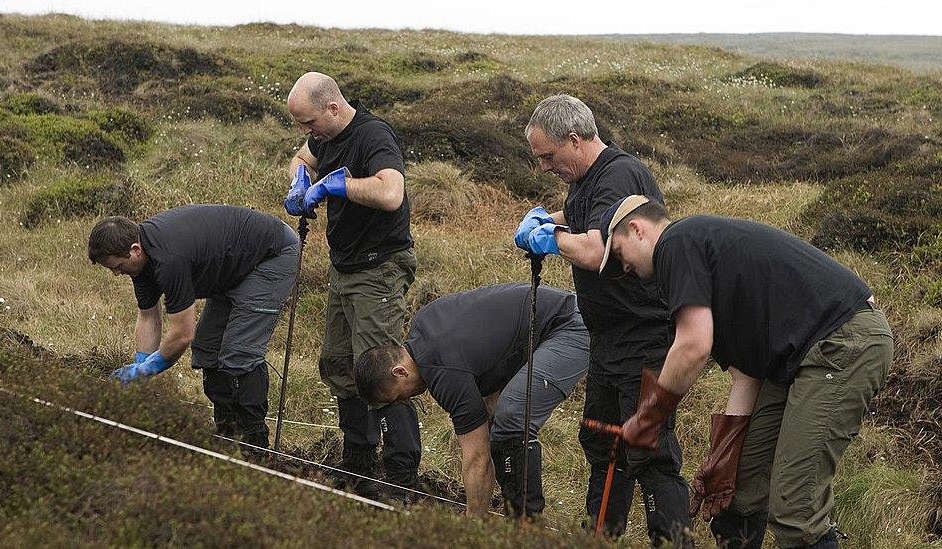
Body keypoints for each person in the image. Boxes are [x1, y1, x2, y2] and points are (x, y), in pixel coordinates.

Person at [600, 195, 893, 549]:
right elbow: (746, 374)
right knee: (737, 494)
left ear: (637, 229)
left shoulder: (675, 244)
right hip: (796, 361)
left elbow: (692, 346)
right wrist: (723, 456)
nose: (624, 268)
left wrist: (648, 417)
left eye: (619, 253)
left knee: (796, 510)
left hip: (841, 344)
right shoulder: (701, 256)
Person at [515, 94, 691, 545]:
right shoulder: (587, 178)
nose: (544, 168)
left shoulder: (620, 174)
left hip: (645, 340)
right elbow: (583, 215)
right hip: (608, 341)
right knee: (604, 443)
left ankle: (672, 542)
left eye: (548, 157)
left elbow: (596, 250)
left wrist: (550, 237)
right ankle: (600, 538)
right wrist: (546, 218)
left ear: (574, 140)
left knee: (649, 452)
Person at [283, 71, 420, 498]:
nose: (308, 133)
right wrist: (300, 179)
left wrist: (340, 185)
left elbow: (391, 192)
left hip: (379, 266)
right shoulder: (323, 137)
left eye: (309, 122)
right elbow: (303, 157)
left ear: (333, 108)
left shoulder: (374, 135)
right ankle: (358, 462)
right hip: (343, 267)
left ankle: (400, 479)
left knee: (380, 369)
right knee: (339, 364)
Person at [353, 283, 588, 518]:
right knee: (498, 418)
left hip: (571, 325)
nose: (406, 400)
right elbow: (490, 350)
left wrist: (472, 524)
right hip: (562, 310)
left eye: (400, 396)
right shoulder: (423, 324)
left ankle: (525, 527)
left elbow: (477, 457)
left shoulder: (443, 372)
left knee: (512, 419)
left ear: (400, 372)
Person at [87, 205, 299, 449]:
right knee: (208, 348)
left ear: (135, 250)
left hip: (271, 255)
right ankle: (227, 434)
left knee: (239, 353)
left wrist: (150, 368)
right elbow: (148, 318)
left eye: (117, 267)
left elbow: (182, 334)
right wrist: (140, 366)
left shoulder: (169, 259)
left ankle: (253, 444)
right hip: (232, 263)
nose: (116, 274)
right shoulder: (142, 263)